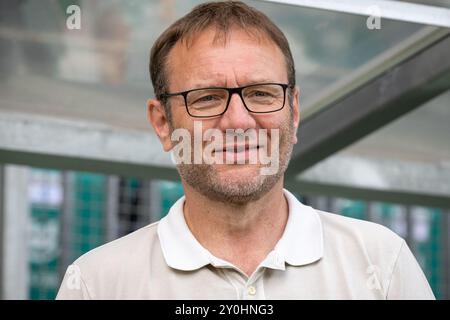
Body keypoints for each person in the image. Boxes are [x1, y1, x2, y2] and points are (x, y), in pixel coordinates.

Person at [56, 1, 434, 299]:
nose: (238, 122)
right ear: (163, 123)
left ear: (295, 111)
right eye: (206, 98)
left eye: (261, 94)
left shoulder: (381, 264)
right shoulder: (96, 284)